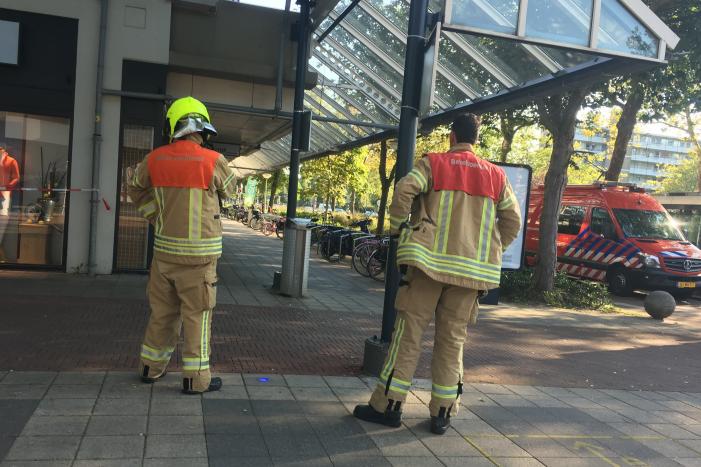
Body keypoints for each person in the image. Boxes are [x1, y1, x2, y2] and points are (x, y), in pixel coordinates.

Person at [354, 114, 522, 434]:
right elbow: (512, 220)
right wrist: (490, 248)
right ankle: (442, 413)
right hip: (470, 274)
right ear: (476, 138)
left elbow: (405, 190)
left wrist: (400, 229)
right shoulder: (496, 176)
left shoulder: (433, 164)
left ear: (451, 137)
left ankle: (388, 406)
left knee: (409, 336)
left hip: (427, 267)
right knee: (452, 342)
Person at [128, 96, 236, 394]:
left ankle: (150, 368)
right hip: (200, 260)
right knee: (197, 317)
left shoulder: (154, 159)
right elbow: (231, 193)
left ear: (174, 125)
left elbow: (135, 188)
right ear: (202, 127)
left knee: (162, 313)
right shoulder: (214, 161)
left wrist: (156, 217)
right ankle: (196, 380)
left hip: (164, 255)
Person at [0, 144, 20, 262]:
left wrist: (7, 187)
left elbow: (16, 177)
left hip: (5, 194)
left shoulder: (12, 161)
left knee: (2, 222)